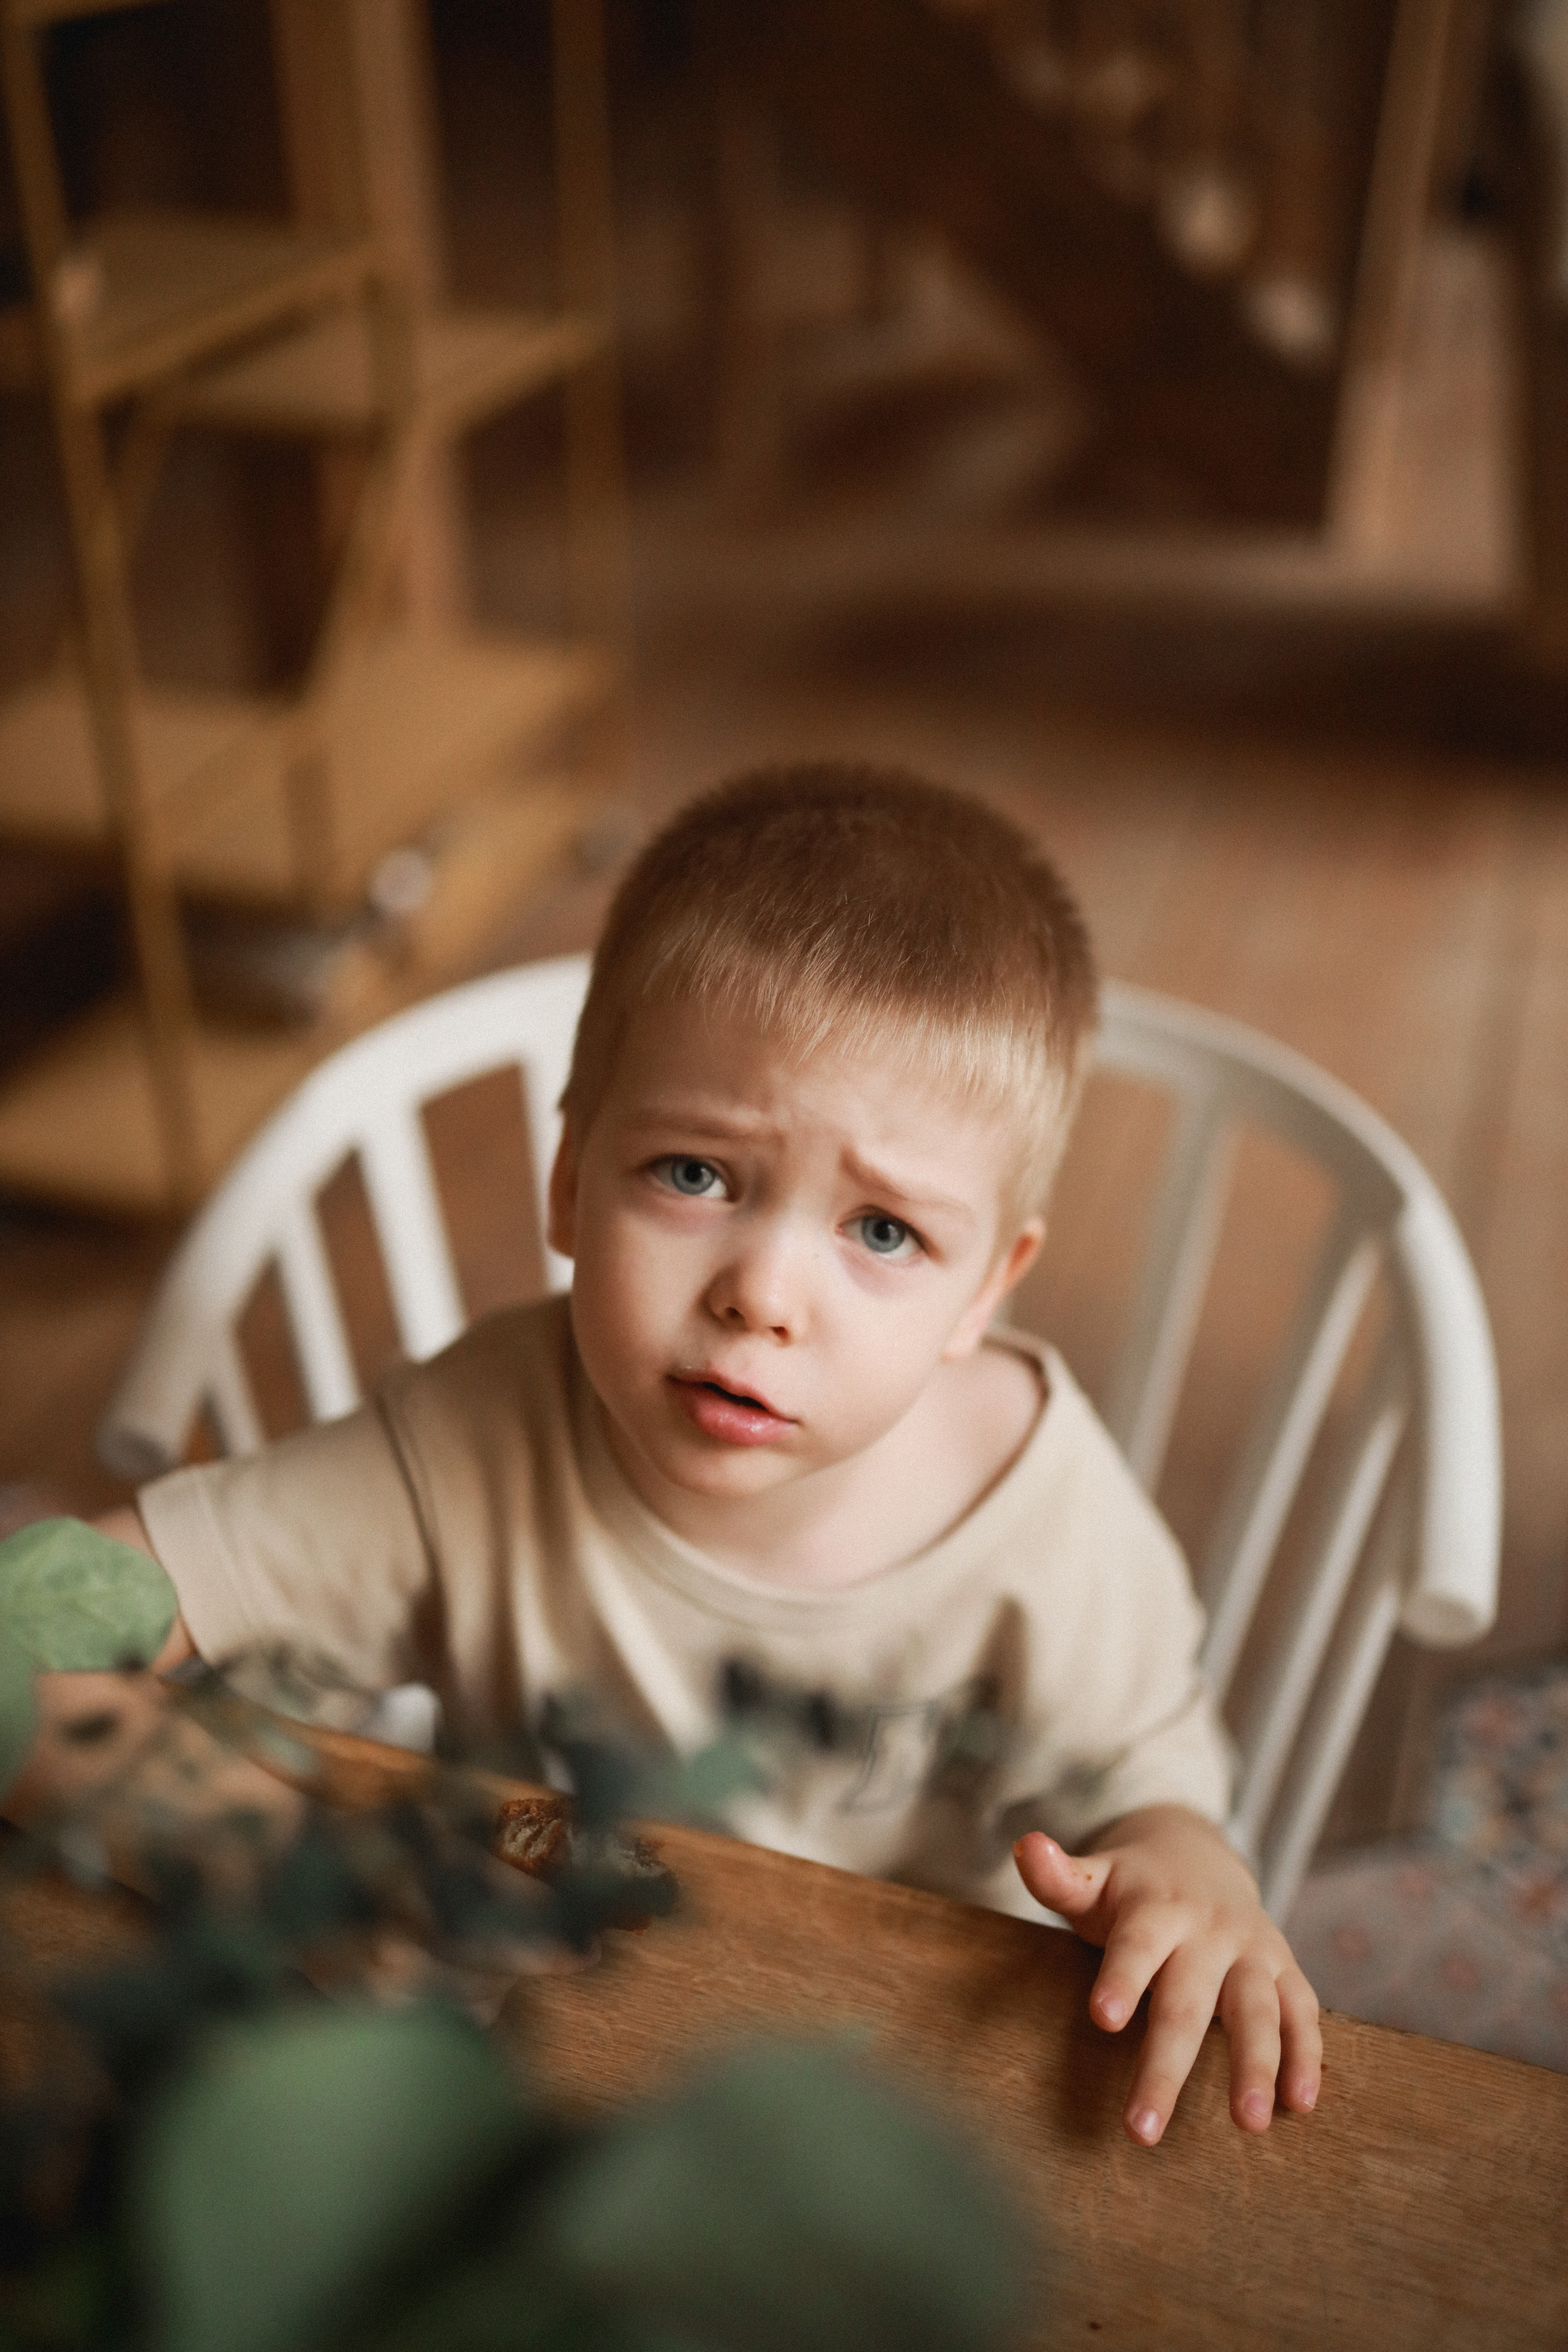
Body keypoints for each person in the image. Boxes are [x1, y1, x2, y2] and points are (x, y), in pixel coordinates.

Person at [12, 763, 1319, 2147]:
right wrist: (278, 1851)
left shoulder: (1046, 1520)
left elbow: (1154, 1797)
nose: (761, 1293)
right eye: (694, 1174)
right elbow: (24, 1629)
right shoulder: (468, 1446)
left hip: (915, 2111)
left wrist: (1191, 1880)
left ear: (985, 1291)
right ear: (570, 1179)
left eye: (882, 1233)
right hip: (545, 2074)